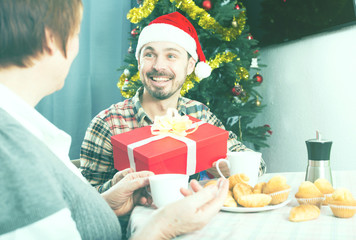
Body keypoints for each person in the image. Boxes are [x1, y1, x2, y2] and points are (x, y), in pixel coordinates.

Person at [0, 1, 229, 239]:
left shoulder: (30, 134)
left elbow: (70, 214)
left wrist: (106, 203)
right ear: (51, 39)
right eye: (76, 34)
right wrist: (160, 229)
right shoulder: (13, 149)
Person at [80, 11, 266, 193]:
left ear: (190, 66)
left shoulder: (199, 115)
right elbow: (83, 201)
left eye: (171, 56)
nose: (159, 66)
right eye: (149, 54)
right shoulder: (108, 123)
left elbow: (257, 166)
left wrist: (232, 169)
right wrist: (116, 186)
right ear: (138, 62)